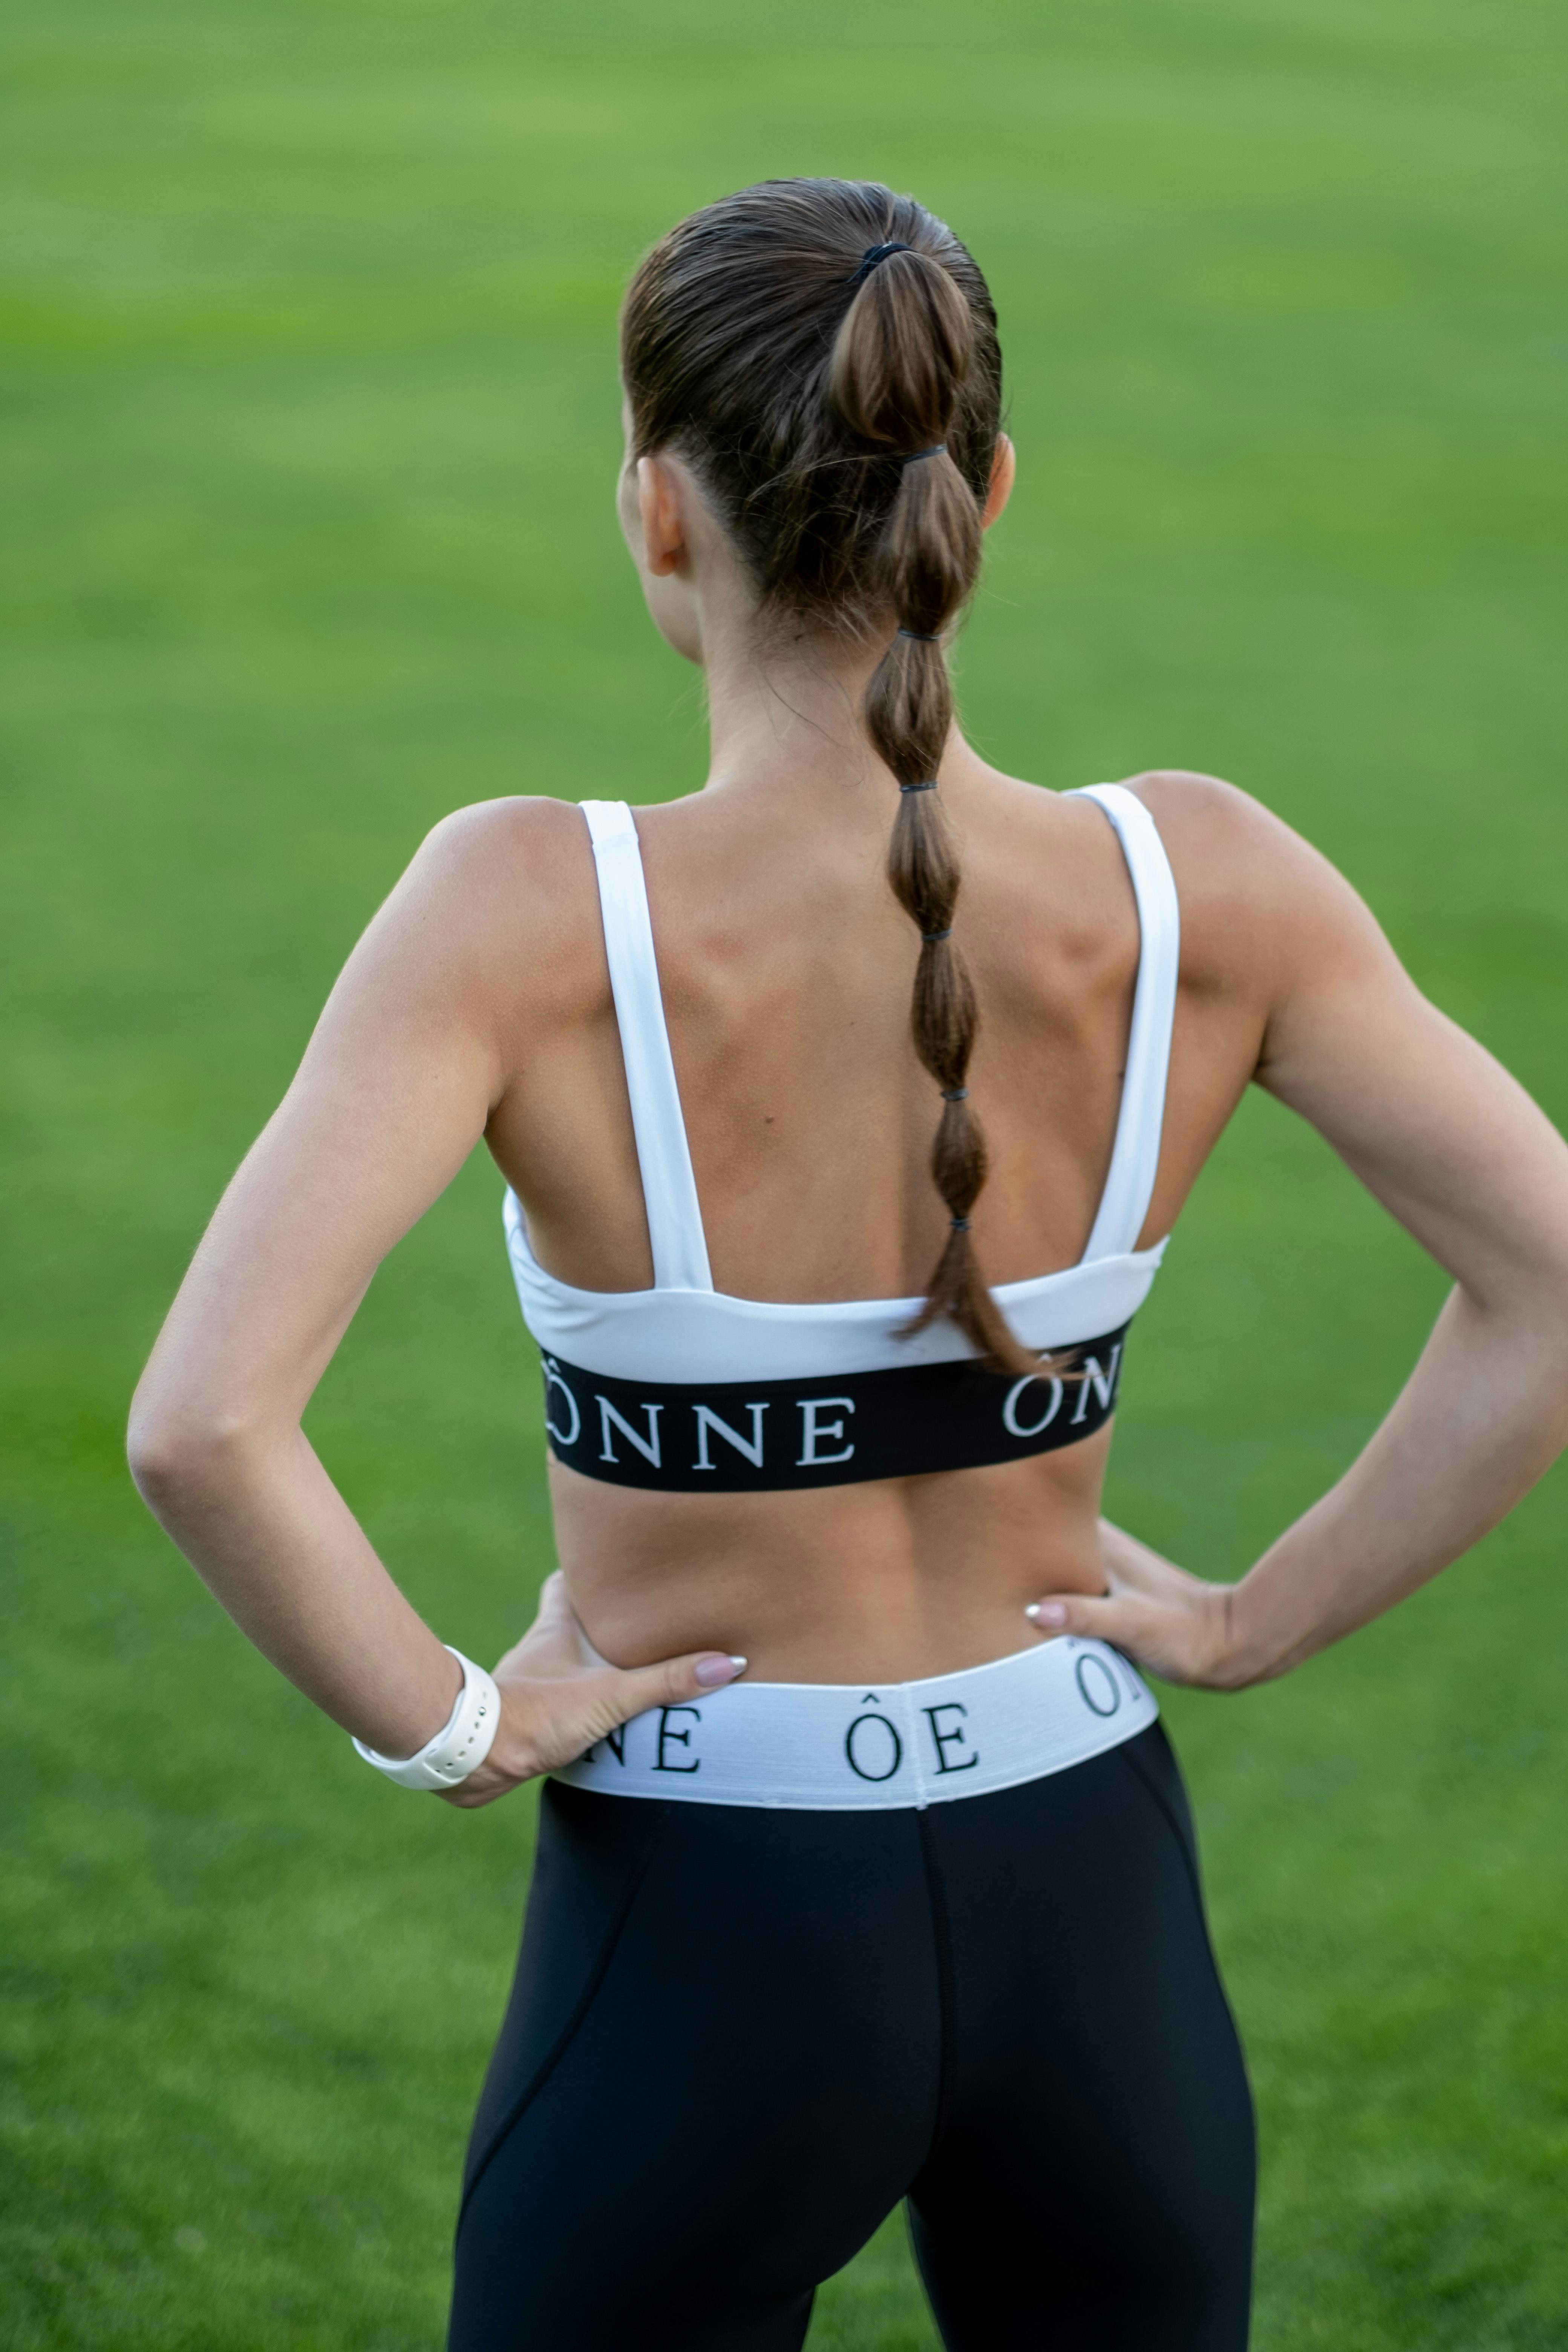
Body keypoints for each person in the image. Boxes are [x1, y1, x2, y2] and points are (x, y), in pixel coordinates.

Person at [127, 177, 1568, 2352]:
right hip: (1093, 1881)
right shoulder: (1211, 885)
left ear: (655, 515)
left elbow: (207, 1429)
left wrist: (457, 1724)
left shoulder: (525, 909)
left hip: (705, 1916)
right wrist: (1261, 1619)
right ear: (985, 494)